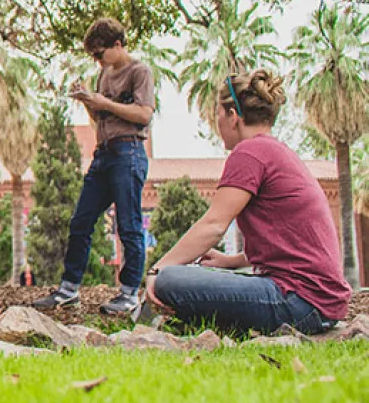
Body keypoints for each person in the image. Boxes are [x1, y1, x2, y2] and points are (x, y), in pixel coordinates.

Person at [147, 70, 350, 334]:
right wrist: (232, 261)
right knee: (183, 277)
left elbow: (214, 225)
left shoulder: (249, 152)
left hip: (299, 302)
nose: (216, 121)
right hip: (316, 303)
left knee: (170, 280)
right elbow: (291, 244)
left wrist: (157, 269)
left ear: (233, 116)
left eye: (218, 113)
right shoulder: (276, 151)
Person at [33, 17, 154, 315]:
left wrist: (104, 102)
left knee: (128, 225)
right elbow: (100, 118)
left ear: (117, 44)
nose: (97, 61)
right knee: (81, 221)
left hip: (129, 151)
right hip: (103, 154)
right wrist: (88, 101)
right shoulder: (102, 76)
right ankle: (69, 288)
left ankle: (128, 294)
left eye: (100, 54)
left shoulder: (140, 72)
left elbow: (143, 114)